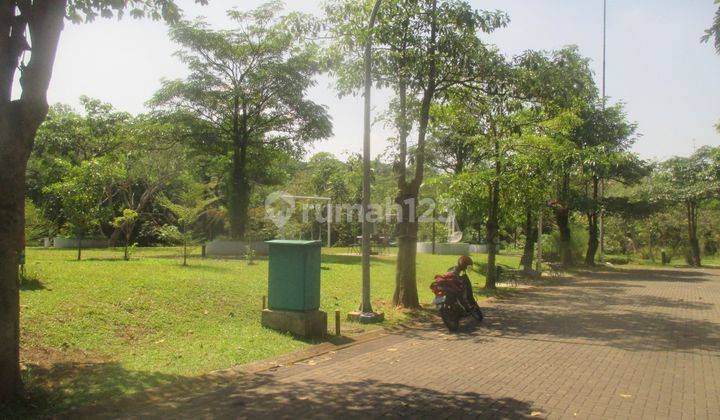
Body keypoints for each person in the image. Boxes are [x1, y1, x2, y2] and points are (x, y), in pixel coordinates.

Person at [449, 255, 483, 321]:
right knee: (467, 296)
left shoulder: (452, 268)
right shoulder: (458, 271)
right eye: (467, 266)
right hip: (454, 287)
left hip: (451, 287)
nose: (468, 268)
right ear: (464, 265)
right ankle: (466, 309)